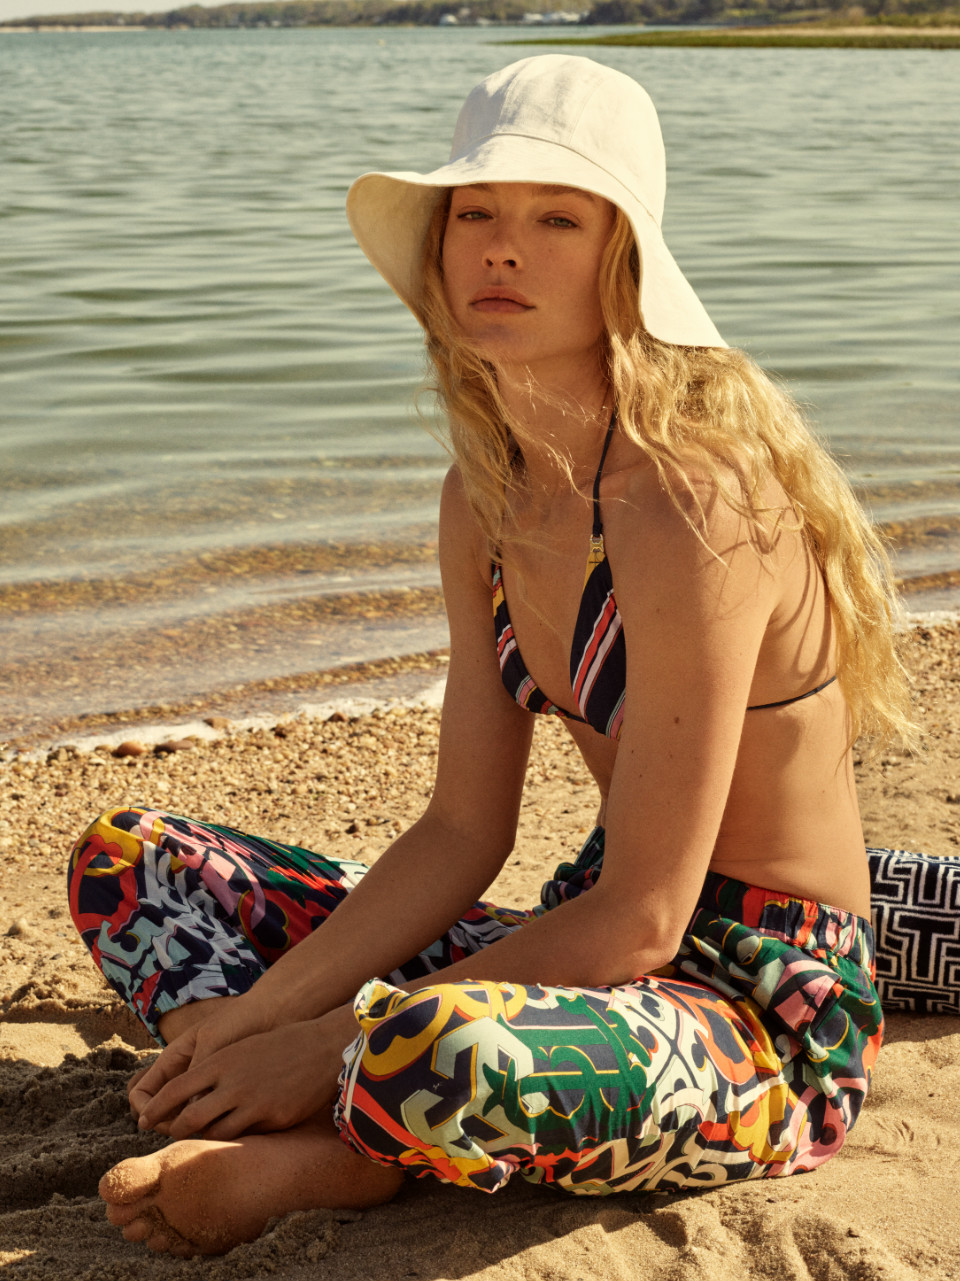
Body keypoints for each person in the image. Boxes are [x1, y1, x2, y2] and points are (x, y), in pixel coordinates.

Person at [67, 55, 950, 1260]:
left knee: (451, 1048)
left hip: (758, 1007)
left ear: (623, 261)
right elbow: (459, 830)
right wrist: (267, 1017)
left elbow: (647, 917)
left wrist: (330, 1036)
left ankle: (345, 1149)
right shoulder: (485, 495)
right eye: (475, 213)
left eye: (556, 220)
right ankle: (294, 1096)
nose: (501, 250)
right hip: (593, 932)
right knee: (136, 864)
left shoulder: (692, 498)